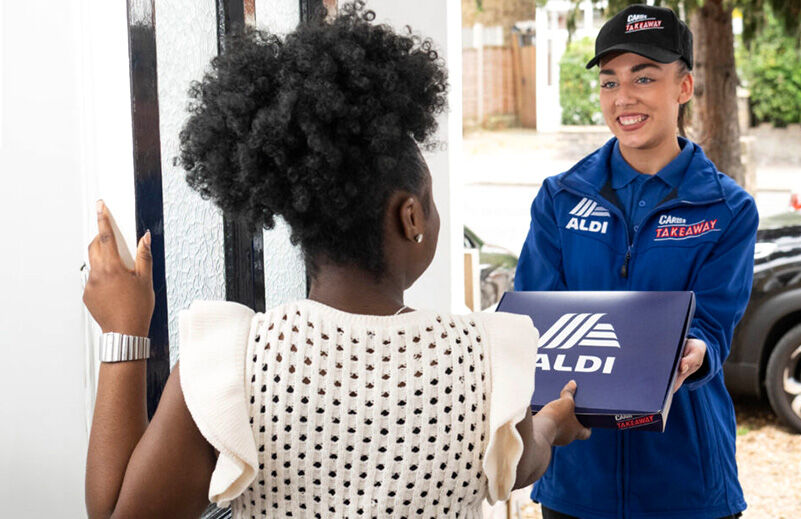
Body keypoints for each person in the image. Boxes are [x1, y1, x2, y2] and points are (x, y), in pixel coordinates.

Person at [82, 3, 590, 518]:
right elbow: (521, 464)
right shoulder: (487, 357)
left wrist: (125, 327)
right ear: (410, 217)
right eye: (430, 203)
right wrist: (553, 421)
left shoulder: (230, 362)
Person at [515, 5, 757, 519]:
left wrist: (697, 352)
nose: (623, 97)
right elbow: (530, 324)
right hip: (578, 483)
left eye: (644, 78)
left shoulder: (727, 209)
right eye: (609, 82)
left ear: (684, 88)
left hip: (687, 485)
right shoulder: (560, 198)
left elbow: (714, 324)